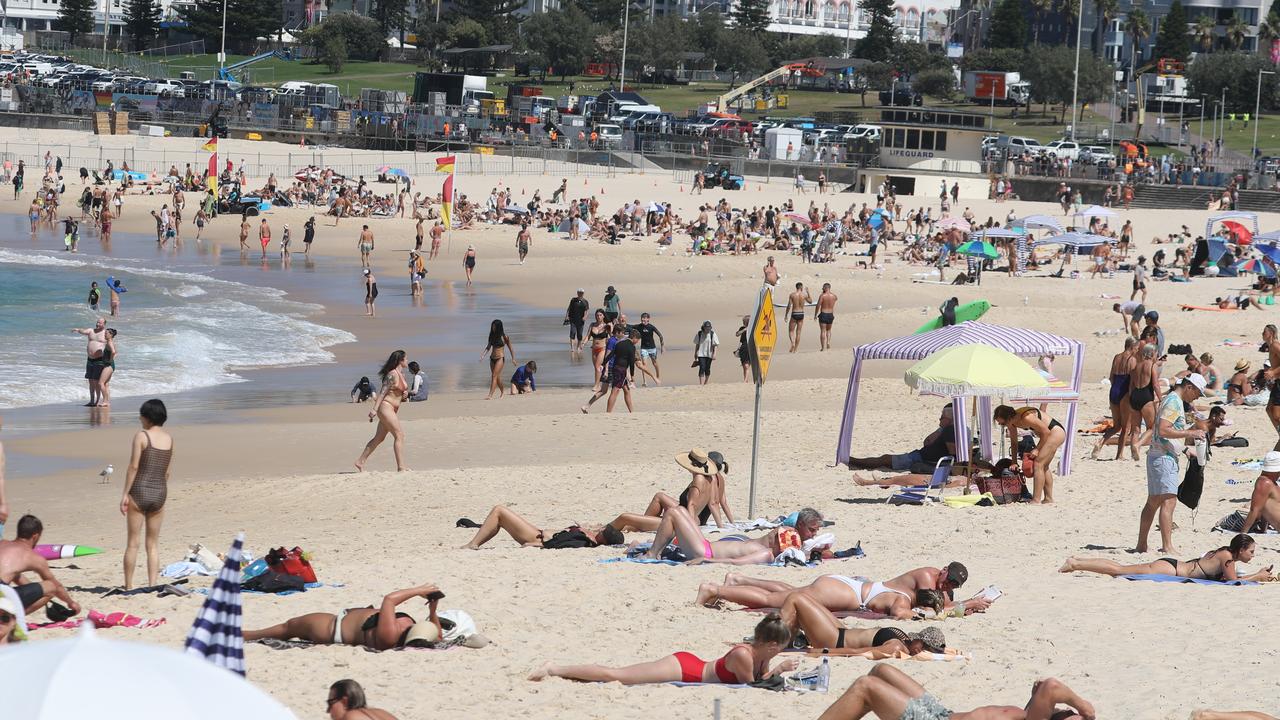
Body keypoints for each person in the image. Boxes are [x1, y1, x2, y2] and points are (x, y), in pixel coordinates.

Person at [529, 614, 796, 685]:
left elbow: (759, 681)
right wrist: (779, 670)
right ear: (772, 644)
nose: (781, 651)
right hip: (685, 669)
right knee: (616, 675)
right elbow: (750, 685)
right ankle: (554, 667)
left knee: (617, 675)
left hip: (693, 666)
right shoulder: (743, 654)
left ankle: (556, 668)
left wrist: (773, 670)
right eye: (781, 648)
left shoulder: (760, 654)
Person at [816, 664, 1095, 720]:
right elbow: (1044, 690)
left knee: (866, 687)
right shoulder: (1028, 715)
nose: (1071, 714)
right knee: (881, 670)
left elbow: (1053, 687)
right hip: (943, 713)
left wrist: (1083, 706)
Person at [244, 583, 444, 651]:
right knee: (287, 629)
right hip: (340, 622)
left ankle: (246, 635)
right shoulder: (409, 632)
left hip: (332, 627)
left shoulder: (390, 636)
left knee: (288, 628)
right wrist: (433, 610)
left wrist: (419, 590)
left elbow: (389, 600)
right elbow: (439, 637)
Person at [1139, 374, 1206, 554]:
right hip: (1163, 458)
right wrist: (1190, 434)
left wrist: (1184, 450)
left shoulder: (1171, 399)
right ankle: (1167, 546)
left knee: (1153, 502)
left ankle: (1141, 544)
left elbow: (1164, 431)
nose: (1197, 397)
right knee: (1169, 501)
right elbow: (1163, 430)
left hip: (1158, 455)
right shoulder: (1174, 402)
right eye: (1198, 392)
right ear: (1189, 387)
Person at [644, 505, 822, 565]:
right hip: (706, 547)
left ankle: (653, 554)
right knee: (679, 510)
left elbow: (736, 563)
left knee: (674, 513)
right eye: (812, 530)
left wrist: (706, 561)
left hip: (704, 552)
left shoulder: (766, 553)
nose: (813, 535)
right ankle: (655, 551)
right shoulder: (774, 544)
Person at [781, 592, 946, 656]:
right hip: (840, 631)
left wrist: (820, 652)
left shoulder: (895, 648)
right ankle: (786, 638)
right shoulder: (906, 639)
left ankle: (772, 638)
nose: (921, 649)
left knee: (795, 599)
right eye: (924, 645)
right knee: (805, 598)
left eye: (926, 649)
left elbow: (857, 651)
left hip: (833, 640)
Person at [609, 448, 733, 532]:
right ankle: (637, 525)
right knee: (659, 496)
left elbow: (692, 505)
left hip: (683, 520)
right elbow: (716, 503)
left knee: (626, 518)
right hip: (685, 516)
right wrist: (722, 525)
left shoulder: (698, 480)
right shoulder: (709, 479)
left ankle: (610, 529)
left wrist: (689, 529)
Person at [1063, 533, 1272, 582]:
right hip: (1169, 570)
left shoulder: (1226, 554)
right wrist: (1258, 575)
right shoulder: (1227, 557)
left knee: (1120, 567)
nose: (1252, 556)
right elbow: (1234, 583)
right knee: (1118, 570)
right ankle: (1075, 564)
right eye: (1251, 552)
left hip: (1172, 566)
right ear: (1241, 549)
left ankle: (1077, 561)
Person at [119, 399, 172, 590]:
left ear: (148, 417)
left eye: (141, 415)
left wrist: (125, 494)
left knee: (133, 543)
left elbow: (133, 467)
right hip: (159, 492)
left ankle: (129, 585)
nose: (140, 418)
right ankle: (152, 584)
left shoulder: (142, 436)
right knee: (153, 544)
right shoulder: (168, 439)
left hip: (140, 491)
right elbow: (166, 472)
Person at [0, 515, 81, 615]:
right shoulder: (33, 557)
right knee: (51, 587)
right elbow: (56, 586)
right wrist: (71, 603)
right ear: (35, 536)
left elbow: (17, 577)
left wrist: (36, 592)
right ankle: (12, 620)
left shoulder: (2, 543)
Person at [847, 404, 955, 473]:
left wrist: (942, 428)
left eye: (942, 417)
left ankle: (855, 461)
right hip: (922, 456)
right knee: (885, 459)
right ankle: (855, 461)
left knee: (885, 459)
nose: (939, 419)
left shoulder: (949, 430)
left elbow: (928, 443)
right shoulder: (950, 430)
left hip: (921, 458)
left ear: (949, 419)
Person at [461, 505, 624, 549]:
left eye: (604, 531)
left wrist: (535, 544)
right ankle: (475, 542)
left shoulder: (584, 541)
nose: (601, 528)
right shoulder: (588, 538)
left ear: (603, 538)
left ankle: (473, 544)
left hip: (535, 537)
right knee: (500, 517)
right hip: (537, 532)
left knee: (499, 511)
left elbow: (558, 544)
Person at [994, 405, 1066, 504]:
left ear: (1009, 417)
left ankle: (1036, 499)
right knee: (1044, 466)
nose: (1002, 425)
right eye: (1000, 424)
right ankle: (1048, 498)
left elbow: (1046, 432)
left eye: (1003, 423)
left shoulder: (1026, 417)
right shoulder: (1011, 423)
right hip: (1049, 435)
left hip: (1055, 432)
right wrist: (1014, 462)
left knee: (1038, 464)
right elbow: (1014, 443)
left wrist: (1037, 449)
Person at [354, 351, 410, 472]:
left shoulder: (402, 374)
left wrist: (404, 395)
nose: (407, 361)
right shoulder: (392, 374)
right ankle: (401, 467)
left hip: (393, 409)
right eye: (406, 359)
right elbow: (383, 392)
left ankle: (360, 461)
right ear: (400, 360)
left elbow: (398, 393)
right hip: (386, 407)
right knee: (399, 435)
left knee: (379, 438)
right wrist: (374, 409)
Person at [1092, 337, 1136, 459]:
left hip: (1114, 391)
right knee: (1125, 427)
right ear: (1132, 347)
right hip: (1124, 393)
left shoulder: (1116, 357)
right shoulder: (1132, 360)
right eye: (1136, 348)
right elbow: (1132, 382)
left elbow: (1111, 377)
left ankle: (1101, 441)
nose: (1137, 350)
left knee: (1116, 426)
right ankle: (1119, 455)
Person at [1240, 451, 1280, 533]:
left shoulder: (1271, 482)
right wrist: (1243, 534)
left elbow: (1264, 507)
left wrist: (1263, 529)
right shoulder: (1265, 483)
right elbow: (1254, 510)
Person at [74, 318, 107, 407]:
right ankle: (91, 400)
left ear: (104, 324)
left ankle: (97, 401)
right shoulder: (91, 331)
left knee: (96, 382)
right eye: (97, 322)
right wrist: (78, 330)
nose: (97, 324)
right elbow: (83, 331)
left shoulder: (106, 333)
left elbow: (111, 345)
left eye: (100, 323)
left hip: (99, 360)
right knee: (90, 381)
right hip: (90, 359)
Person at [325, 679, 398, 720]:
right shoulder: (382, 713)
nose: (328, 711)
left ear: (344, 701)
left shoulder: (352, 716)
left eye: (330, 703)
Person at [483, 320, 515, 400]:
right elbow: (488, 347)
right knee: (497, 377)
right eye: (492, 326)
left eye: (494, 326)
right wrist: (483, 355)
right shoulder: (491, 336)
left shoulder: (505, 337)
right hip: (492, 358)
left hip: (500, 358)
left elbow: (510, 348)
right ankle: (502, 391)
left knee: (494, 376)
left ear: (499, 327)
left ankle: (490, 395)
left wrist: (513, 358)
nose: (493, 328)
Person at [634, 313, 664, 384]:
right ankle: (645, 381)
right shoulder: (639, 326)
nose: (643, 319)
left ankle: (658, 376)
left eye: (645, 318)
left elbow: (660, 335)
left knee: (655, 363)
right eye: (642, 318)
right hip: (644, 348)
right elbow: (629, 326)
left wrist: (662, 346)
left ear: (648, 319)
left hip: (652, 348)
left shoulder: (651, 327)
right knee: (644, 364)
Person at [1263, 325, 1280, 449]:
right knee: (1269, 409)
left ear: (1271, 333)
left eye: (1264, 332)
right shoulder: (1270, 346)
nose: (1262, 333)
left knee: (1276, 414)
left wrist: (1273, 372)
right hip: (1277, 382)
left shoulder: (1275, 345)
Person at [787, 282, 811, 353]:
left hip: (794, 313)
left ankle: (793, 343)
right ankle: (796, 350)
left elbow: (789, 306)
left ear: (796, 287)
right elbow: (810, 301)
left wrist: (786, 315)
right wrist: (808, 292)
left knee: (791, 331)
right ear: (801, 287)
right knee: (798, 332)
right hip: (801, 313)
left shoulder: (792, 295)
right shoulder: (804, 295)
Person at [693, 320, 718, 385]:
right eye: (706, 328)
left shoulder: (713, 334)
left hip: (709, 354)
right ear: (703, 327)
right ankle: (701, 384)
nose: (708, 329)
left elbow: (715, 345)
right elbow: (697, 344)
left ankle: (706, 382)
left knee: (707, 368)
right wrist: (695, 353)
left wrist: (714, 354)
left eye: (709, 328)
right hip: (701, 354)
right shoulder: (699, 334)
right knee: (702, 367)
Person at [565, 289, 590, 354]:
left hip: (581, 320)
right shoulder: (573, 300)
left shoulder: (585, 301)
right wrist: (567, 316)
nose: (580, 294)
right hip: (573, 319)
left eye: (581, 293)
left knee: (579, 334)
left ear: (583, 293)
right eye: (579, 293)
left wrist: (585, 317)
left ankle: (578, 347)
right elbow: (569, 308)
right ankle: (572, 348)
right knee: (572, 333)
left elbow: (587, 311)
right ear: (577, 293)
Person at [98, 328, 117, 408]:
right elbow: (116, 353)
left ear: (111, 335)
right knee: (106, 384)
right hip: (110, 365)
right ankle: (107, 401)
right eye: (105, 333)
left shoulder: (110, 343)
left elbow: (113, 352)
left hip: (109, 365)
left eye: (106, 333)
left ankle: (105, 401)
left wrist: (110, 360)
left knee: (101, 383)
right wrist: (111, 360)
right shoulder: (111, 342)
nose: (105, 334)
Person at [815, 283, 837, 351]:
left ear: (825, 288)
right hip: (830, 314)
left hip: (824, 314)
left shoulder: (822, 296)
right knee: (829, 330)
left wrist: (815, 314)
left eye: (823, 288)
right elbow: (835, 300)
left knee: (823, 331)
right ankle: (828, 342)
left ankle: (823, 347)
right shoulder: (834, 296)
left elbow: (818, 305)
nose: (822, 289)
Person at [735, 314, 752, 382]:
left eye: (745, 321)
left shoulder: (753, 328)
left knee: (747, 365)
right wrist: (744, 329)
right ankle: (746, 379)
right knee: (744, 365)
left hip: (750, 347)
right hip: (743, 348)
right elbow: (737, 334)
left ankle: (745, 380)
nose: (744, 323)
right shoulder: (742, 328)